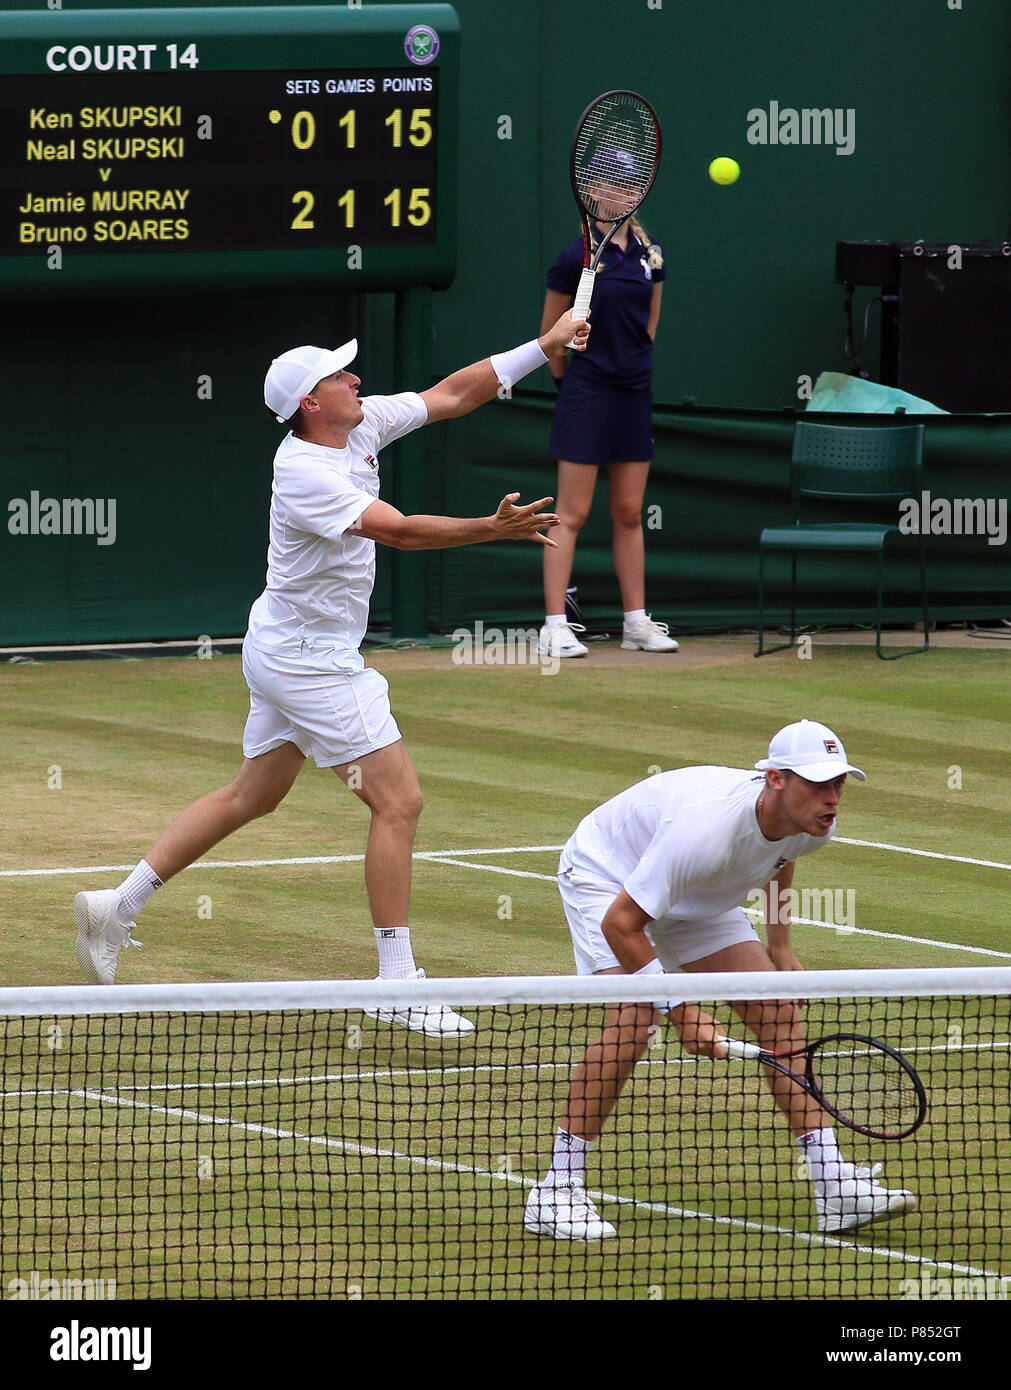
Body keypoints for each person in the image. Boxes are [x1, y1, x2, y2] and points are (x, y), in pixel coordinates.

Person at [73, 311, 590, 1039]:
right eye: (338, 374)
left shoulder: (358, 426)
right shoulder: (306, 470)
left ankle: (114, 907)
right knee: (398, 802)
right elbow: (401, 530)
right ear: (310, 404)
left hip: (284, 645)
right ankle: (395, 983)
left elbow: (452, 394)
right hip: (310, 662)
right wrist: (488, 528)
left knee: (254, 793)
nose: (355, 377)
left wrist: (546, 344)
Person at [524, 719, 916, 1239]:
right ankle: (556, 1190)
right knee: (637, 1020)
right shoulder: (705, 831)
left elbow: (782, 857)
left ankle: (835, 1187)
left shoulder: (813, 823)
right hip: (609, 876)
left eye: (838, 784)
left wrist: (780, 947)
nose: (832, 798)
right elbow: (622, 924)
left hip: (697, 896)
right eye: (818, 784)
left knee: (777, 1011)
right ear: (776, 779)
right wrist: (682, 1013)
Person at [538, 153, 676, 660]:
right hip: (586, 392)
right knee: (570, 513)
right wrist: (572, 382)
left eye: (627, 182)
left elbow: (650, 326)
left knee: (628, 511)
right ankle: (554, 625)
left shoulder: (650, 254)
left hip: (634, 393)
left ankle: (636, 623)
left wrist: (628, 370)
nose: (617, 190)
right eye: (608, 182)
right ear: (591, 190)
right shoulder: (571, 256)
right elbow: (550, 337)